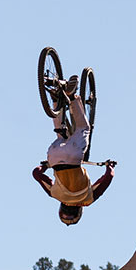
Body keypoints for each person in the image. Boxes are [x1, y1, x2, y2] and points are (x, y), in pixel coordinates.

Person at [32, 75, 115, 224]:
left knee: (84, 128)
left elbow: (107, 178)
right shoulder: (55, 194)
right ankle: (56, 99)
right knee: (60, 135)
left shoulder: (88, 199)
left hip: (74, 157)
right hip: (54, 156)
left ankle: (72, 97)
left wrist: (109, 166)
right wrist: (45, 165)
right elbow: (36, 174)